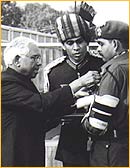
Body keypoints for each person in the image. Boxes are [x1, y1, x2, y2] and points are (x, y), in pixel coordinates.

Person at [1, 36, 101, 166]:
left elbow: (43, 117)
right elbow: (41, 104)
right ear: (17, 60)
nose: (39, 63)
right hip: (13, 158)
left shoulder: (22, 82)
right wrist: (78, 84)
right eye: (34, 58)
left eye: (39, 58)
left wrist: (76, 100)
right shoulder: (5, 83)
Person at [44, 13, 104, 166]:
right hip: (71, 141)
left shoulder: (102, 65)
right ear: (63, 46)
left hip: (102, 138)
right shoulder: (53, 72)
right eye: (70, 43)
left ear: (87, 42)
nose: (76, 48)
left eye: (80, 41)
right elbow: (50, 110)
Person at [80, 20, 129, 166]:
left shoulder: (114, 70)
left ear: (115, 44)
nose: (98, 49)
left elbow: (97, 125)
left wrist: (86, 116)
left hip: (112, 148)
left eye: (101, 44)